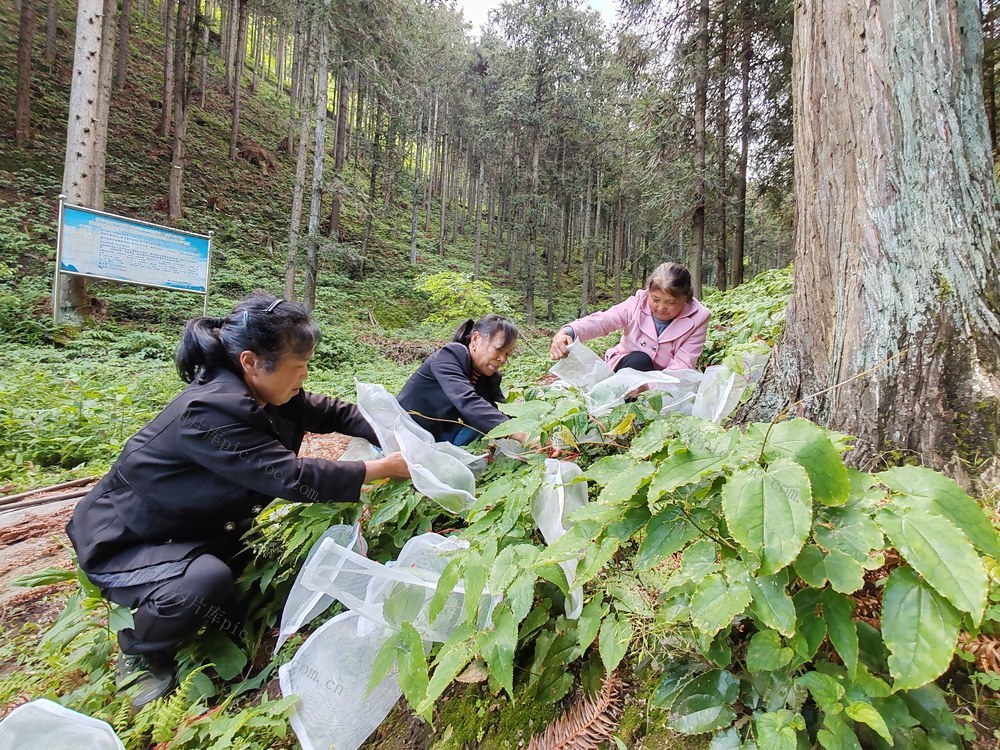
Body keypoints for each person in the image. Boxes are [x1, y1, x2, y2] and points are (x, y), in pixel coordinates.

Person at [66, 294, 409, 708]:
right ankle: (142, 654)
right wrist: (383, 468)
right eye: (297, 367)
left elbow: (333, 412)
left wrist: (395, 432)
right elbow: (289, 476)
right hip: (129, 538)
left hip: (194, 527)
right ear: (250, 361)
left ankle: (204, 605)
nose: (303, 377)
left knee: (229, 583)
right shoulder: (209, 411)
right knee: (204, 582)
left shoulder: (268, 392)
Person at [549, 262, 711, 372]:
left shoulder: (698, 318)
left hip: (666, 379)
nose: (661, 308)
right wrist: (569, 331)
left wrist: (647, 386)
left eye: (670, 302)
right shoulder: (637, 304)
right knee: (640, 360)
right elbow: (603, 321)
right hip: (627, 366)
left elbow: (683, 364)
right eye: (655, 300)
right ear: (649, 293)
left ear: (685, 299)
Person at [397, 314, 526, 446]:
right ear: (476, 339)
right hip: (403, 433)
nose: (502, 359)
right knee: (479, 415)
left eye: (507, 354)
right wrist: (518, 434)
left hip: (437, 437)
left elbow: (501, 409)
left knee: (485, 419)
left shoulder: (490, 377)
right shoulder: (450, 356)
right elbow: (467, 401)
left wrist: (528, 430)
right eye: (498, 349)